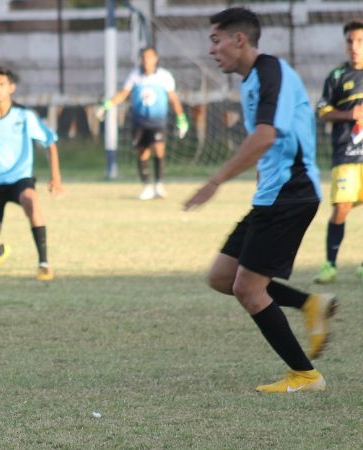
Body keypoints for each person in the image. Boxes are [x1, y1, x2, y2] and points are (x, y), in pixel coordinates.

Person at [184, 8, 337, 393]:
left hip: (292, 194)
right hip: (272, 195)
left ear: (239, 40)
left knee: (248, 290)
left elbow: (266, 136)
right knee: (222, 277)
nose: (211, 50)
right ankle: (309, 304)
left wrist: (215, 180)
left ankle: (305, 375)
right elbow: (269, 142)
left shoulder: (271, 73)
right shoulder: (250, 80)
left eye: (215, 40)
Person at [0, 68, 63, 281]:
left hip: (20, 178)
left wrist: (56, 177)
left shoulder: (24, 115)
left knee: (31, 200)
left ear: (11, 88)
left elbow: (50, 142)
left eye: (1, 85)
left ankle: (43, 264)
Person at [96, 47, 188, 200]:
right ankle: (146, 186)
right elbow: (123, 94)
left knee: (159, 150)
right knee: (142, 152)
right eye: (144, 58)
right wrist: (106, 105)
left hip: (157, 121)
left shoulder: (164, 76)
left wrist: (181, 119)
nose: (146, 61)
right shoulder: (135, 76)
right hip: (139, 121)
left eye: (149, 57)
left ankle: (159, 185)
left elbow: (173, 98)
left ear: (155, 59)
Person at [313, 19, 363, 284]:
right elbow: (322, 111)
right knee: (342, 207)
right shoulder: (336, 76)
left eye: (360, 41)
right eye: (350, 41)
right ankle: (330, 264)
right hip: (346, 154)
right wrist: (349, 113)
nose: (354, 47)